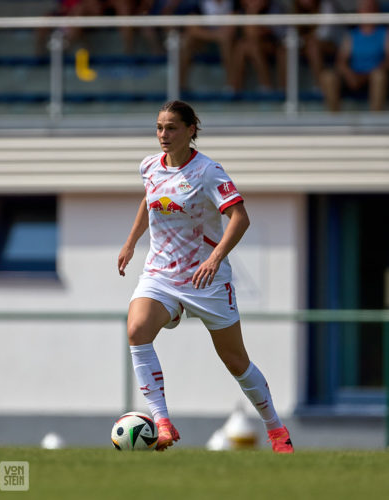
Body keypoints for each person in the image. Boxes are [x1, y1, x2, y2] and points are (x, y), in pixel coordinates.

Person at [117, 100, 293, 453]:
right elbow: (149, 199)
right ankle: (162, 423)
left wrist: (215, 258)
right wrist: (131, 242)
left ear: (190, 130)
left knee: (235, 361)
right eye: (159, 127)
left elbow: (240, 217)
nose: (163, 135)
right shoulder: (149, 166)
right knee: (136, 329)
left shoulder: (208, 172)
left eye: (171, 128)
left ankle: (276, 431)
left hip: (206, 279)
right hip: (161, 274)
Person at [321, 0, 389, 112]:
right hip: (353, 77)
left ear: (377, 10)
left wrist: (367, 75)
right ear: (359, 11)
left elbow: (388, 60)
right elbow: (341, 61)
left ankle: (375, 121)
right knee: (328, 76)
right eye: (365, 8)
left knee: (379, 77)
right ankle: (334, 121)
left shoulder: (385, 33)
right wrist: (349, 75)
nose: (368, 11)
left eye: (371, 8)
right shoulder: (351, 35)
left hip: (374, 76)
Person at [179, 0, 238, 92]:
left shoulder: (233, 3)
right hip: (206, 36)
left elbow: (231, 29)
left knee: (227, 42)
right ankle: (180, 86)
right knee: (187, 41)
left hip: (226, 38)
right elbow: (192, 29)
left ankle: (231, 86)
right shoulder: (199, 3)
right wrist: (216, 35)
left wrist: (221, 36)